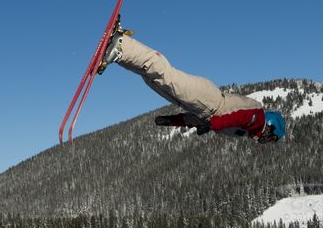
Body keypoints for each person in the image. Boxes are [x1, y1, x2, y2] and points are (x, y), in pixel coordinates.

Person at [98, 21, 286, 144]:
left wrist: (174, 121)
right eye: (271, 137)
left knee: (152, 79)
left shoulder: (243, 132)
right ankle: (122, 43)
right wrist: (213, 125)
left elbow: (198, 121)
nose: (266, 140)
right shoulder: (257, 118)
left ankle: (118, 55)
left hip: (201, 107)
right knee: (165, 75)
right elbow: (237, 118)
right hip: (210, 100)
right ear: (270, 125)